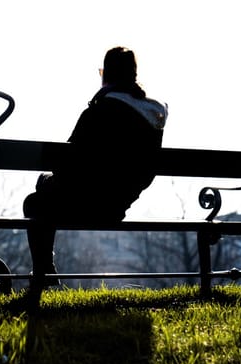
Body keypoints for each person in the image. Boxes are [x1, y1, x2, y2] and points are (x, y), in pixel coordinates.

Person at [23, 46, 168, 288]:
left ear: (106, 75)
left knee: (35, 202)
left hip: (87, 204)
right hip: (117, 206)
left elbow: (68, 165)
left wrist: (46, 181)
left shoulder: (99, 113)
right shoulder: (152, 121)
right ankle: (45, 272)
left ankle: (44, 273)